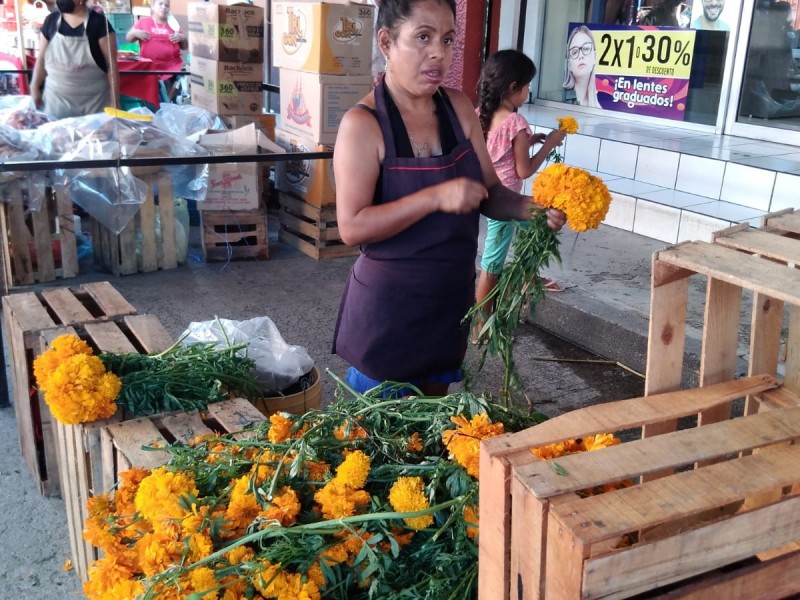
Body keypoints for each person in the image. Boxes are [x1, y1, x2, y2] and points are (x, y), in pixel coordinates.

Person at [331, 0, 567, 397]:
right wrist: (435, 196)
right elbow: (352, 226)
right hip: (391, 316)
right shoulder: (363, 125)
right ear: (386, 42)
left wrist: (534, 209)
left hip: (449, 306)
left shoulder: (458, 108)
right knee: (377, 442)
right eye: (422, 37)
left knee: (432, 445)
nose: (438, 52)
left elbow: (491, 193)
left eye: (448, 39)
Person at [474, 50, 566, 343]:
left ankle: (527, 279)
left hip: (489, 199)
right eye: (527, 86)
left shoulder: (480, 115)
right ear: (513, 87)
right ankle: (479, 325)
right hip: (508, 204)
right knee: (492, 263)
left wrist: (531, 140)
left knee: (537, 230)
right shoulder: (516, 122)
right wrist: (550, 143)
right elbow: (524, 171)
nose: (528, 92)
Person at [31, 0, 120, 119]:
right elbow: (41, 58)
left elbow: (111, 65)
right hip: (56, 102)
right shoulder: (50, 21)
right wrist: (34, 86)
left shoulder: (99, 23)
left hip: (94, 104)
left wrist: (115, 101)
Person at [126, 0, 187, 103]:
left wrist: (182, 38)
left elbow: (185, 46)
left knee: (168, 102)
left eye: (167, 5)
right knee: (150, 102)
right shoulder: (143, 22)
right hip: (149, 69)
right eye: (160, 4)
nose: (164, 7)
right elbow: (128, 38)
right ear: (153, 6)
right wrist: (136, 33)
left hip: (170, 70)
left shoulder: (173, 24)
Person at [563, 25, 601, 108]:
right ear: (569, 65)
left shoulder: (599, 109)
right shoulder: (559, 100)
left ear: (595, 57)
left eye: (586, 49)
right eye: (574, 52)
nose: (580, 55)